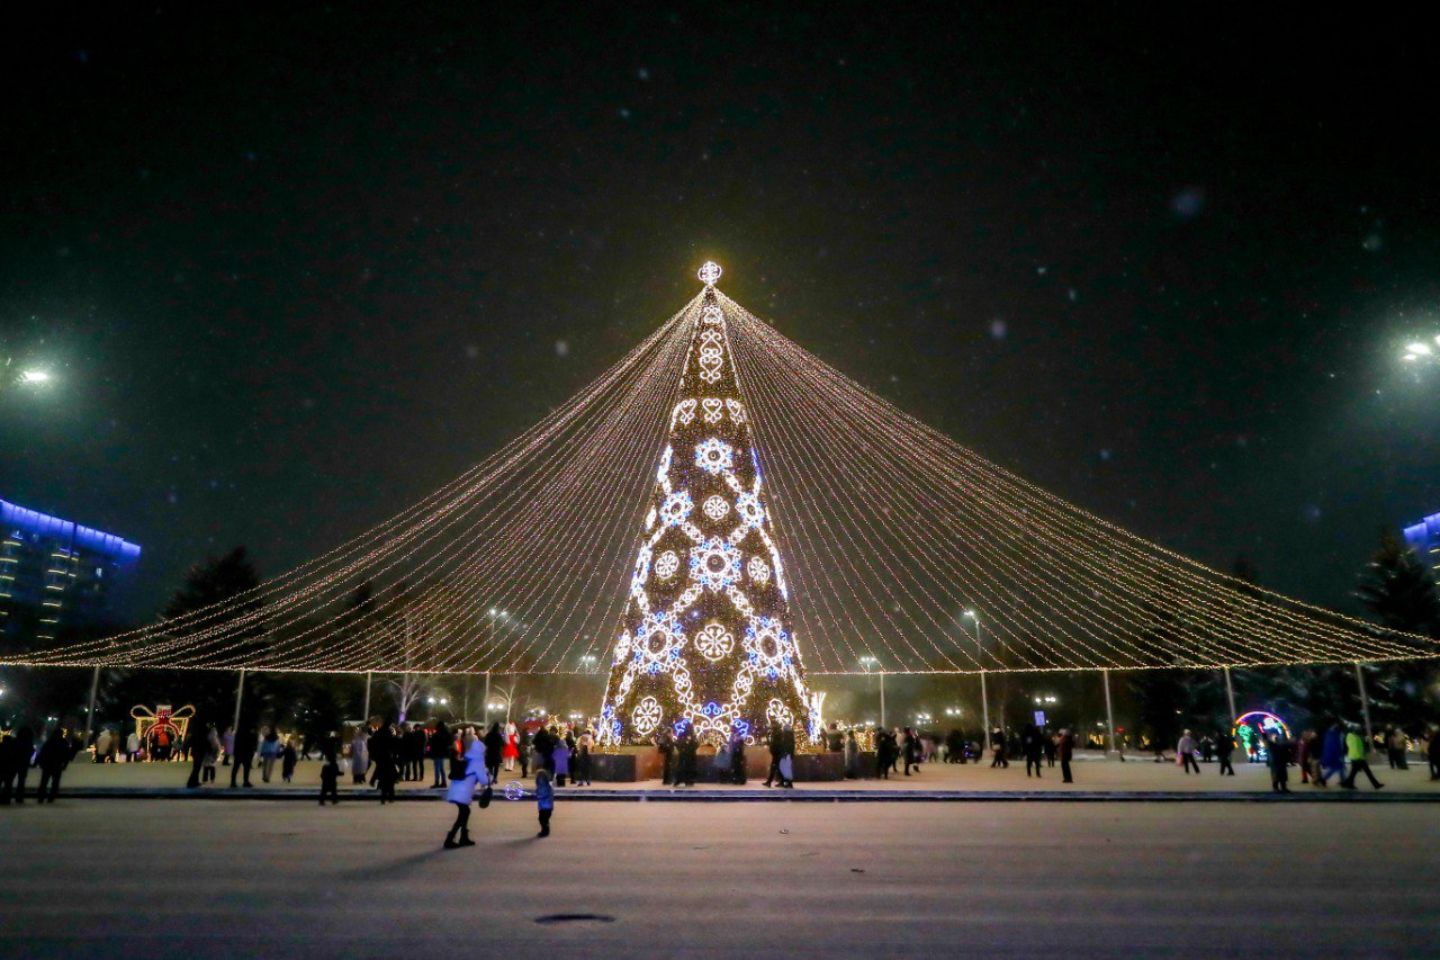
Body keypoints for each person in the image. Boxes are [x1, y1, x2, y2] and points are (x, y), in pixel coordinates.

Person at [443, 733, 488, 849]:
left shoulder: (467, 757)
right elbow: (484, 780)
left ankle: (463, 837)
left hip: (456, 790)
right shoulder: (476, 762)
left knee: (465, 812)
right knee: (463, 814)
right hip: (462, 793)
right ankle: (450, 839)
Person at [1341, 725, 1383, 790]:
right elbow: (1355, 747)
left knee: (1354, 772)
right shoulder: (1352, 737)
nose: (1358, 730)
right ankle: (1376, 785)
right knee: (1367, 772)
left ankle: (1348, 784)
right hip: (1357, 757)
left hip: (1357, 757)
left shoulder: (1355, 736)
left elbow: (1361, 744)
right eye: (1356, 729)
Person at [36, 726, 70, 804]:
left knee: (44, 781)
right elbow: (67, 755)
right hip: (57, 764)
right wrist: (65, 764)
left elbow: (43, 753)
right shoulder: (64, 742)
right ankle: (51, 797)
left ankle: (41, 797)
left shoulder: (50, 741)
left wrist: (40, 762)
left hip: (48, 764)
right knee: (55, 782)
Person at [1, 725, 34, 805]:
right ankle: (19, 798)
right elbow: (31, 752)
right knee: (21, 781)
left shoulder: (15, 742)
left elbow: (9, 752)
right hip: (23, 764)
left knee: (9, 781)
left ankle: (6, 798)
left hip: (13, 763)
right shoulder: (29, 744)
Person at [369, 719, 398, 803]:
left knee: (382, 774)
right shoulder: (388, 733)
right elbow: (392, 744)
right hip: (387, 756)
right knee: (390, 779)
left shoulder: (378, 733)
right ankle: (391, 797)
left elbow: (373, 743)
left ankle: (383, 796)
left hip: (380, 756)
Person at [319, 733, 341, 806]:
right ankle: (333, 799)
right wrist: (338, 773)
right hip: (331, 773)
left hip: (327, 773)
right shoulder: (331, 749)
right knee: (332, 787)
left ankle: (323, 800)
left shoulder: (328, 747)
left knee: (325, 788)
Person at [430, 721, 453, 789]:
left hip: (437, 753)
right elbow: (449, 742)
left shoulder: (436, 734)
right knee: (441, 768)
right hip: (443, 753)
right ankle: (444, 782)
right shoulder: (447, 734)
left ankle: (437, 782)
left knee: (437, 768)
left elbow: (432, 744)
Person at [535, 767, 555, 838]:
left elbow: (547, 794)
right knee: (543, 819)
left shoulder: (546, 786)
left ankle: (545, 831)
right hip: (544, 806)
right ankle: (545, 831)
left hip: (546, 806)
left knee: (543, 819)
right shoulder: (542, 785)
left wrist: (540, 796)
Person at [482, 722, 503, 786]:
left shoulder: (489, 734)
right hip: (496, 753)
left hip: (490, 753)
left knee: (490, 767)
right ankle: (495, 778)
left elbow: (485, 742)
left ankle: (490, 778)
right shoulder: (499, 735)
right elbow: (502, 744)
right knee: (496, 767)